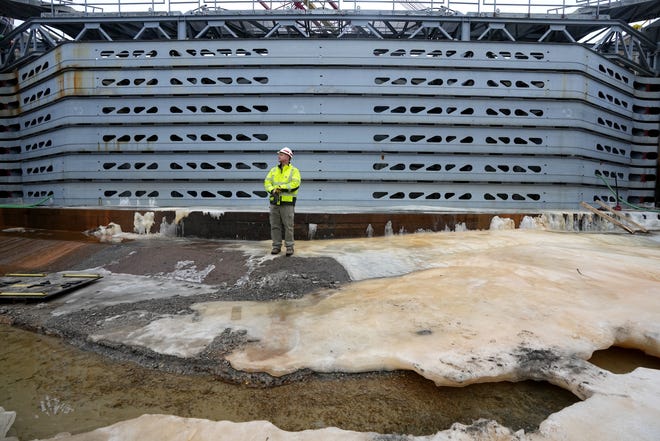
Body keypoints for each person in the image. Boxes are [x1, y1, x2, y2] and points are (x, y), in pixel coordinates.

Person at [264, 147, 301, 256]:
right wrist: (272, 190)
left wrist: (280, 187)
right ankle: (276, 246)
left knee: (288, 226)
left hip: (287, 203)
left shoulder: (294, 171)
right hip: (274, 202)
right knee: (275, 225)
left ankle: (289, 247)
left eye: (281, 154)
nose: (279, 156)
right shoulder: (273, 170)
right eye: (279, 154)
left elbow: (295, 184)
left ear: (288, 157)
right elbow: (267, 182)